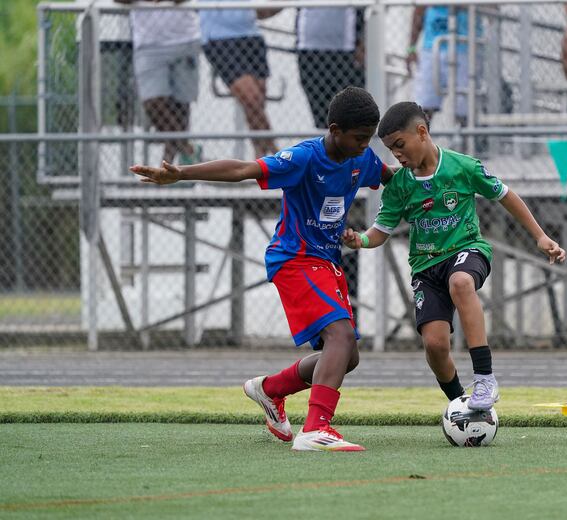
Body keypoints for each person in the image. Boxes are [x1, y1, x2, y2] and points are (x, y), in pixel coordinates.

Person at [130, 87, 393, 452]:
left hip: (325, 261)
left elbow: (393, 178)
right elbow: (242, 169)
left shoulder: (361, 159)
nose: (366, 146)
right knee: (342, 338)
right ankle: (316, 429)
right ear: (334, 129)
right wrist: (182, 173)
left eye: (369, 139)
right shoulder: (304, 157)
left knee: (347, 356)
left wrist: (436, 172)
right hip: (295, 259)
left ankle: (270, 389)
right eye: (359, 138)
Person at [342, 102, 566, 410]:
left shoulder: (463, 166)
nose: (397, 155)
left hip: (467, 250)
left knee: (461, 282)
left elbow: (505, 195)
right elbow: (381, 231)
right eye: (392, 150)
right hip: (425, 267)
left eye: (400, 145)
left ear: (421, 132)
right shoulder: (400, 185)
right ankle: (460, 403)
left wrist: (540, 236)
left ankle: (485, 378)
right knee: (435, 346)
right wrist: (360, 240)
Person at [117, 0, 202, 164]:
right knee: (152, 102)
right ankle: (188, 149)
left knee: (181, 105)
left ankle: (169, 166)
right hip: (148, 44)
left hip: (185, 38)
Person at [200, 0, 280, 156]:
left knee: (256, 105)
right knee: (252, 99)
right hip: (219, 37)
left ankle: (261, 160)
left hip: (251, 34)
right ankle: (280, 156)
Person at [406, 6, 478, 124]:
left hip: (465, 48)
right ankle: (420, 140)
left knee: (465, 108)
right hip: (432, 49)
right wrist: (411, 48)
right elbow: (419, 10)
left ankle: (467, 140)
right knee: (425, 105)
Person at [296, 7, 365, 129]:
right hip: (310, 52)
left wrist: (361, 40)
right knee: (322, 118)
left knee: (351, 117)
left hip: (346, 53)